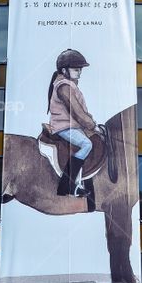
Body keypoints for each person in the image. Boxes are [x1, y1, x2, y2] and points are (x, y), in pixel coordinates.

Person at [47, 49, 100, 198]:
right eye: (76, 69)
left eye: (80, 69)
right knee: (86, 144)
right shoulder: (64, 87)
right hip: (63, 127)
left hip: (73, 125)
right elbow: (76, 111)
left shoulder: (70, 84)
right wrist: (91, 125)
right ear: (64, 70)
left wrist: (91, 123)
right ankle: (67, 186)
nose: (79, 72)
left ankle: (81, 183)